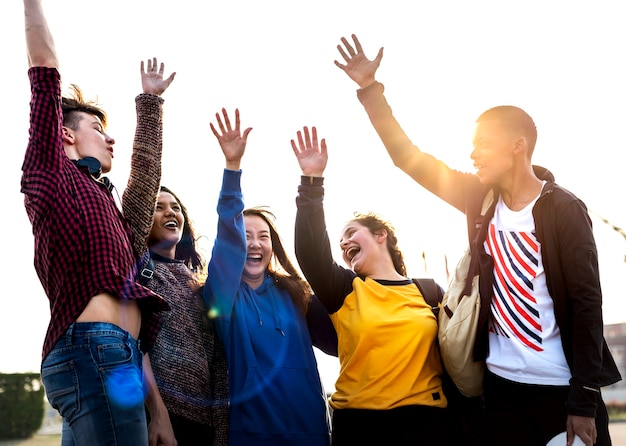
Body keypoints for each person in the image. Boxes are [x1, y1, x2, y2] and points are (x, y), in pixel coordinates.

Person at [333, 33, 622, 446]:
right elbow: (407, 157)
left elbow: (586, 303)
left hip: (560, 388)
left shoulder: (564, 209)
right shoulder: (479, 200)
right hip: (500, 391)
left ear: (518, 145)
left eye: (483, 144)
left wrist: (582, 401)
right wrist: (369, 89)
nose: (473, 155)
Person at [22, 1, 173, 444]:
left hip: (118, 357)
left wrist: (151, 103)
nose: (110, 138)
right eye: (96, 126)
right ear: (65, 133)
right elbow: (44, 67)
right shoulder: (50, 174)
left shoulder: (106, 204)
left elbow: (145, 179)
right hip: (92, 350)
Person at [291, 126, 450, 446]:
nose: (344, 242)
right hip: (360, 427)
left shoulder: (429, 292)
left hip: (426, 424)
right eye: (340, 241)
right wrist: (312, 183)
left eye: (352, 232)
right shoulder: (344, 289)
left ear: (381, 235)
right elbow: (310, 251)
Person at [202, 108, 335, 446]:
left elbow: (344, 337)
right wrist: (232, 169)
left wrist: (312, 182)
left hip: (311, 431)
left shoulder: (296, 294)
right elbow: (227, 236)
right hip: (251, 434)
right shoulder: (223, 297)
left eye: (263, 236)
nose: (255, 243)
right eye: (245, 235)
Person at [121, 73, 229, 445]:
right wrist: (151, 103)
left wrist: (220, 431)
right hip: (158, 420)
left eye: (175, 207)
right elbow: (143, 179)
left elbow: (218, 360)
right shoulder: (137, 264)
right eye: (158, 206)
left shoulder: (200, 282)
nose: (171, 212)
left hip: (204, 422)